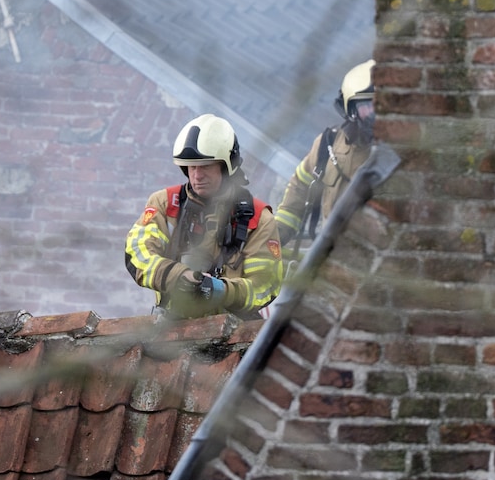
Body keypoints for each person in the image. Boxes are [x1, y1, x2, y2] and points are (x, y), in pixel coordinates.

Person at [124, 113, 284, 319]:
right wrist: (179, 276)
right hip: (170, 329)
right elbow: (137, 253)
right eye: (191, 167)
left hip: (233, 333)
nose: (197, 176)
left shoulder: (257, 218)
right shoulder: (165, 204)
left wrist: (220, 290)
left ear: (226, 167)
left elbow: (265, 285)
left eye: (206, 166)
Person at [275, 59, 376, 251]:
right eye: (368, 107)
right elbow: (300, 187)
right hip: (328, 257)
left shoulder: (402, 158)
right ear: (350, 109)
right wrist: (276, 236)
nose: (376, 116)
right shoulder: (326, 146)